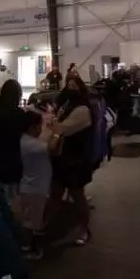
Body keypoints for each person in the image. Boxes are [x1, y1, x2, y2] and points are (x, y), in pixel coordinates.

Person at [46, 75, 93, 246]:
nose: (71, 88)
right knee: (56, 194)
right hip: (62, 158)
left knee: (77, 196)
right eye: (69, 85)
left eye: (74, 85)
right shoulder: (66, 105)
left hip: (74, 160)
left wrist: (55, 125)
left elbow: (62, 128)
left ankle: (84, 229)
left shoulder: (82, 110)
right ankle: (47, 225)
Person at [14, 110, 52, 260]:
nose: (41, 129)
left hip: (34, 187)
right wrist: (58, 131)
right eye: (39, 126)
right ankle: (26, 249)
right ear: (32, 127)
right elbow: (53, 148)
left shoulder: (28, 140)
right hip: (33, 189)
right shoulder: (29, 144)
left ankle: (27, 246)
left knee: (31, 220)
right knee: (29, 223)